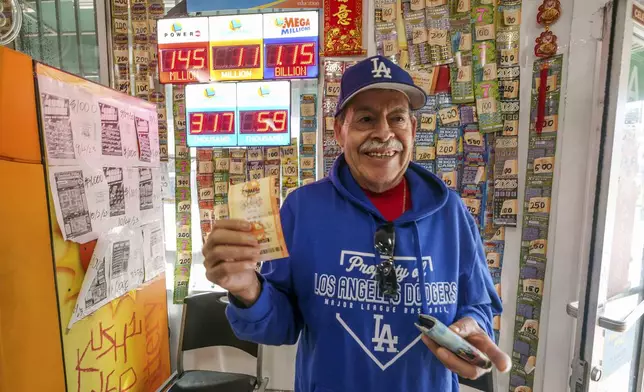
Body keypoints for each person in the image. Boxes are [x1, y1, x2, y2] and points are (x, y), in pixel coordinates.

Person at [203, 55, 511, 391]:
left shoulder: (450, 212)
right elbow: (280, 326)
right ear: (339, 130)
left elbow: (478, 304)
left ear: (413, 129)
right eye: (366, 118)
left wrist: (472, 328)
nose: (384, 133)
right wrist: (247, 288)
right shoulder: (302, 209)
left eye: (397, 118)